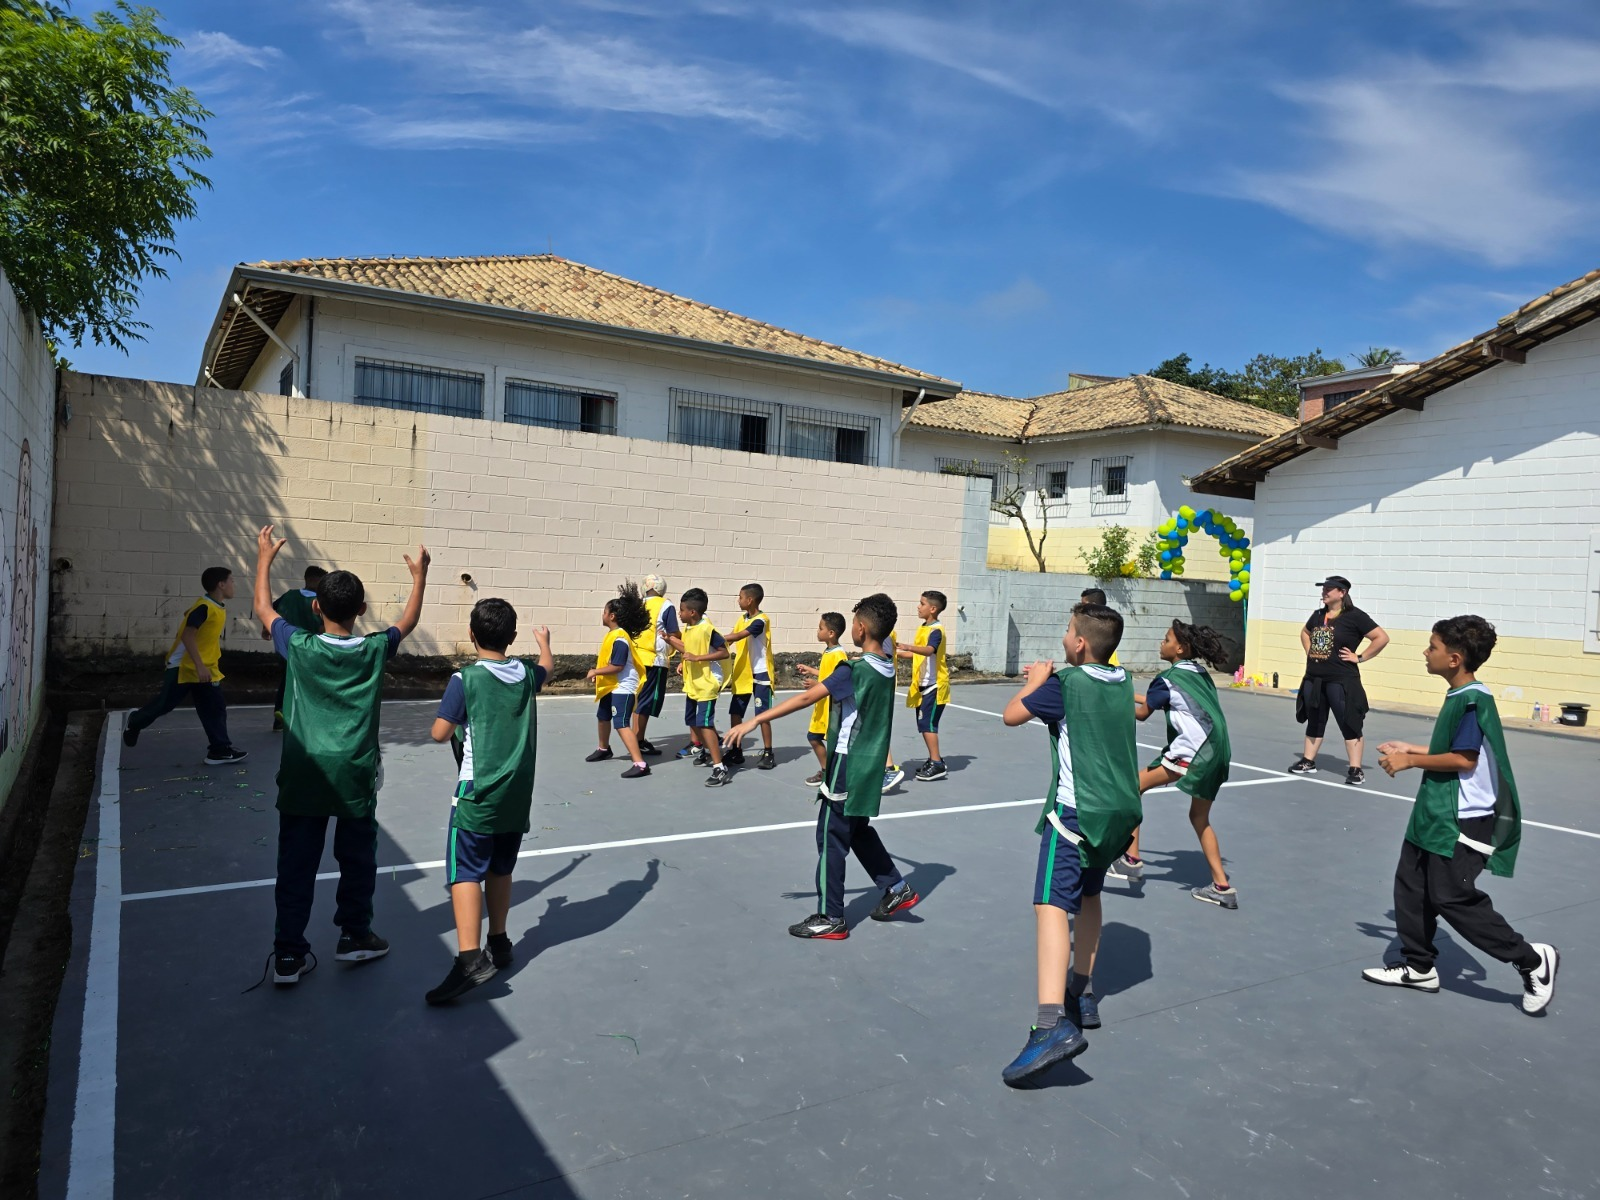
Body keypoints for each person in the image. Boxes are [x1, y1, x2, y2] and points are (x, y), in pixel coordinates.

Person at [252, 524, 430, 986]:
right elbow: (406, 623)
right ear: (363, 610)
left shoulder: (299, 645)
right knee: (357, 860)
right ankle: (354, 936)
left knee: (295, 865)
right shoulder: (372, 649)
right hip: (354, 775)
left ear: (315, 607)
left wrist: (264, 559)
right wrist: (419, 577)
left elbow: (263, 608)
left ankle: (288, 955)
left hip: (304, 775)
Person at [1363, 615, 1558, 1015]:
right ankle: (1419, 968)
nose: (1425, 652)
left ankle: (1531, 960)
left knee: (1452, 898)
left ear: (1453, 659)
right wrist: (1414, 748)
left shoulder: (1471, 699)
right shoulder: (1460, 696)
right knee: (1411, 887)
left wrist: (1410, 763)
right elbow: (1456, 750)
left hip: (1460, 819)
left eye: (1432, 647)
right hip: (1434, 812)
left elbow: (1464, 760)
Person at [999, 602, 1141, 1086]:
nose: (1063, 637)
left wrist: (1036, 680)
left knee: (1050, 906)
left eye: (1066, 631)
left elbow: (1010, 715)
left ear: (1079, 643)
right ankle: (1082, 991)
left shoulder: (1065, 684)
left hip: (1076, 814)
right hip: (1117, 812)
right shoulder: (1123, 682)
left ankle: (1049, 1024)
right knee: (1090, 895)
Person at [726, 593, 919, 939]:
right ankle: (895, 886)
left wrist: (754, 722)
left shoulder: (854, 669)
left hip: (847, 763)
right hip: (869, 764)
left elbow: (804, 699)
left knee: (830, 836)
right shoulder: (887, 665)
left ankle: (831, 917)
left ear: (859, 629)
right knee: (856, 830)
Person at [425, 599, 552, 1004]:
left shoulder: (465, 679)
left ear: (471, 634)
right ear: (513, 637)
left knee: (464, 873)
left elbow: (439, 733)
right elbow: (547, 665)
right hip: (516, 796)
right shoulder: (528, 674)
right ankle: (499, 941)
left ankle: (468, 960)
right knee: (500, 867)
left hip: (477, 795)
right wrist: (545, 642)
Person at [1125, 620, 1239, 908]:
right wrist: (1128, 693)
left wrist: (1113, 698)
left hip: (1191, 752)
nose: (1160, 644)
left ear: (1180, 648)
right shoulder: (1198, 674)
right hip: (1216, 752)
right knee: (1200, 818)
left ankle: (1131, 859)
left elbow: (1141, 714)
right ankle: (1222, 886)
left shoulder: (1166, 679)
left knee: (1131, 788)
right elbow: (1162, 701)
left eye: (1165, 640)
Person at [123, 565, 248, 765]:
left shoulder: (211, 606)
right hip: (185, 667)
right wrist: (199, 665)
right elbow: (187, 635)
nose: (234, 585)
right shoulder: (205, 607)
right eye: (232, 581)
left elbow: (192, 621)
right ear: (221, 584)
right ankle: (135, 721)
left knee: (214, 708)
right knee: (164, 705)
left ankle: (219, 750)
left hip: (205, 668)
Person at [1293, 575, 1389, 785]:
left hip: (1342, 680)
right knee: (1315, 720)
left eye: (1329, 589)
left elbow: (1381, 637)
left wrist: (1360, 657)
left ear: (1342, 593)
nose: (1324, 592)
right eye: (1324, 588)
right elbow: (1305, 633)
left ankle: (1355, 769)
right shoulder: (1319, 615)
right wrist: (1310, 652)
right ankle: (1308, 761)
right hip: (1315, 678)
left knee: (1349, 722)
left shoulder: (1355, 616)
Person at [665, 588, 732, 786]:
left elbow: (724, 652)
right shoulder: (689, 629)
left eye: (682, 610)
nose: (679, 613)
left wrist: (698, 658)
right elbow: (689, 649)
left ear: (692, 612)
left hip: (707, 682)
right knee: (692, 719)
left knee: (703, 722)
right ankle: (706, 749)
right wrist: (671, 641)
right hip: (693, 682)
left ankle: (719, 767)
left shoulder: (707, 629)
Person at [586, 583, 653, 778]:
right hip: (612, 685)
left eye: (604, 611)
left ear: (612, 616)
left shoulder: (621, 638)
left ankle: (640, 763)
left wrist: (595, 671)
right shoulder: (613, 635)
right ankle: (604, 748)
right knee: (603, 716)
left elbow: (618, 666)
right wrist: (600, 675)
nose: (603, 614)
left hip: (623, 686)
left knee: (621, 723)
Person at [898, 589, 950, 781]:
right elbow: (916, 654)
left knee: (928, 725)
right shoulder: (924, 628)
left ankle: (937, 764)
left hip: (935, 686)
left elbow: (928, 650)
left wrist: (907, 646)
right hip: (923, 686)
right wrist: (894, 653)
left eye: (922, 604)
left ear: (933, 609)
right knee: (924, 725)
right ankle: (934, 759)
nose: (918, 607)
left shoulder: (936, 630)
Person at [723, 583, 777, 770]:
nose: (738, 600)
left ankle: (768, 752)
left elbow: (738, 636)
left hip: (761, 673)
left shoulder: (761, 620)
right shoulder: (742, 618)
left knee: (762, 715)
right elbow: (731, 637)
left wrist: (715, 638)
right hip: (744, 673)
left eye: (740, 597)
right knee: (736, 712)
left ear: (750, 600)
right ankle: (736, 751)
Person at [267, 566, 327, 731]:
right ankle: (303, 720)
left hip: (285, 649)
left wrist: (266, 629)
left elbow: (270, 611)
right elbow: (323, 628)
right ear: (315, 581)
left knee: (286, 681)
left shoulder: (289, 596)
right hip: (309, 650)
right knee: (308, 684)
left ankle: (279, 717)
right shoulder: (320, 602)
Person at [795, 612, 849, 787]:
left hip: (831, 707)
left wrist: (816, 684)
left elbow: (839, 680)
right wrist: (811, 670)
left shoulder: (839, 654)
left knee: (823, 740)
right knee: (814, 737)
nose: (817, 631)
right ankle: (827, 771)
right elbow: (829, 674)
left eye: (820, 628)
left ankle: (831, 774)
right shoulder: (829, 651)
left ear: (831, 633)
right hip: (822, 705)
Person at [631, 574, 678, 757]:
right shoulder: (665, 605)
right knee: (647, 701)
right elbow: (673, 632)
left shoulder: (638, 605)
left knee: (638, 700)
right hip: (655, 659)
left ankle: (637, 737)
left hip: (636, 658)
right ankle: (638, 740)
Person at [1080, 589, 1119, 667]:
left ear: (1093, 605)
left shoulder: (1104, 625)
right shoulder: (1110, 622)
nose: (1082, 608)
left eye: (1084, 604)